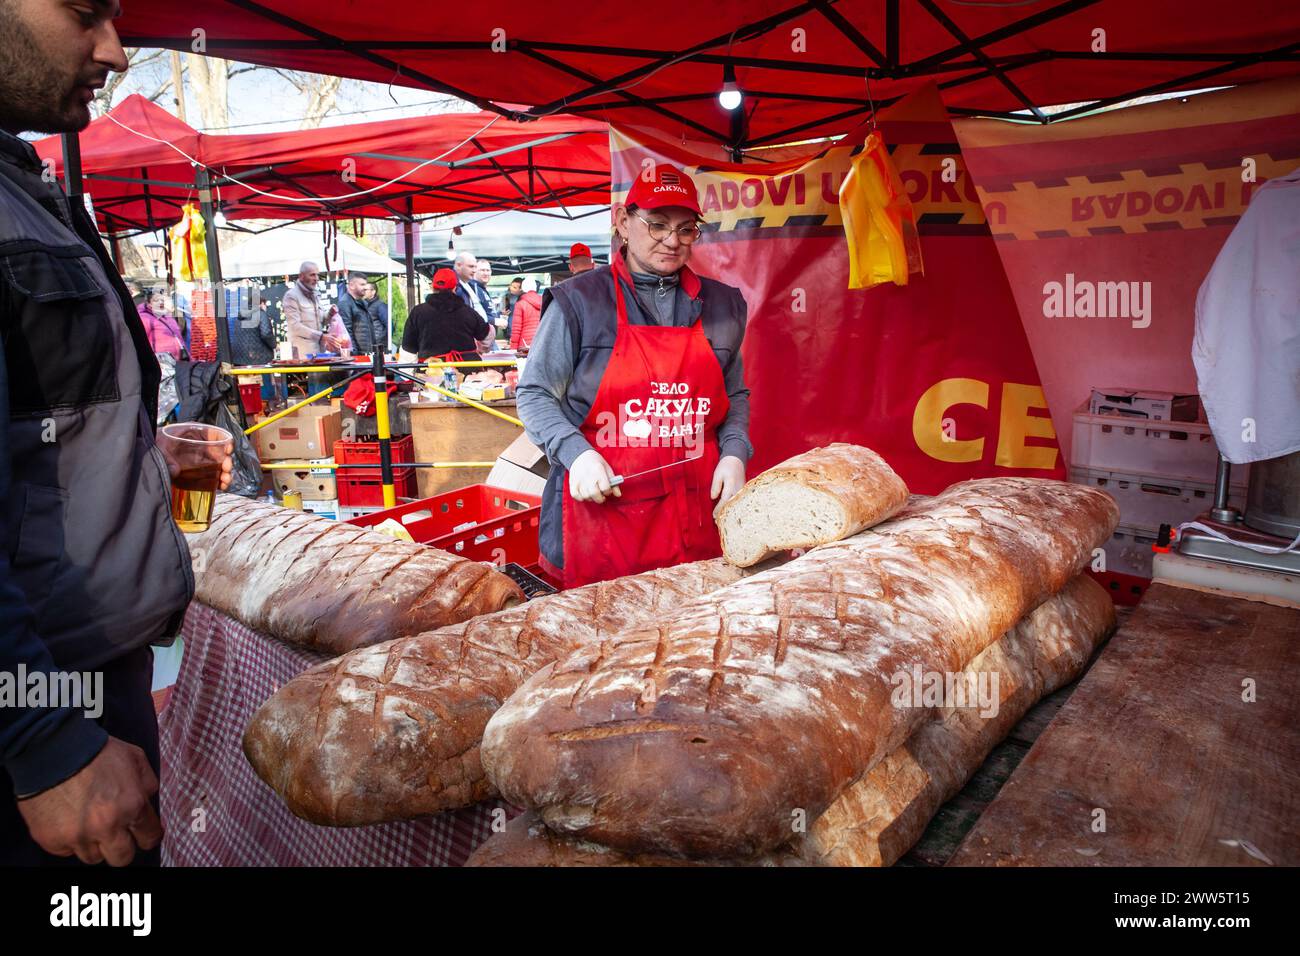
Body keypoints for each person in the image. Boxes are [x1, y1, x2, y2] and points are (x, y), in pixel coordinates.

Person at [0, 0, 232, 867]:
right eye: (84, 11)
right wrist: (40, 738)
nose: (116, 50)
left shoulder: (24, 184)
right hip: (44, 707)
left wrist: (132, 455)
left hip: (88, 680)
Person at [517, 163, 751, 589]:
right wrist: (576, 453)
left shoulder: (723, 306)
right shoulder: (579, 301)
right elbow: (534, 394)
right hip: (601, 518)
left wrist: (735, 452)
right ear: (624, 223)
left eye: (685, 230)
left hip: (696, 516)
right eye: (657, 225)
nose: (671, 241)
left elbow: (733, 395)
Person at [401, 268, 492, 362]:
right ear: (455, 288)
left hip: (430, 372)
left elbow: (408, 348)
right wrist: (481, 349)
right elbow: (486, 335)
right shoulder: (469, 312)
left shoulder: (418, 312)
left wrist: (408, 374)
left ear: (433, 287)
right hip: (468, 371)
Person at [283, 261, 346, 359]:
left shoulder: (316, 295)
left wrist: (330, 314)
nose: (316, 279)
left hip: (319, 352)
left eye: (317, 275)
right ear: (301, 276)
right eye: (312, 275)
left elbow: (322, 321)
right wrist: (321, 336)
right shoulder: (291, 296)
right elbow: (295, 326)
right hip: (302, 354)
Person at [337, 272, 386, 354]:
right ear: (352, 285)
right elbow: (346, 332)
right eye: (362, 284)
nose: (365, 288)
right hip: (357, 356)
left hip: (366, 353)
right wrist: (354, 353)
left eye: (365, 284)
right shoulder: (345, 303)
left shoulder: (362, 303)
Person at [137, 287, 184, 360]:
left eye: (162, 300)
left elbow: (179, 338)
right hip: (160, 363)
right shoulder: (145, 318)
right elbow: (139, 341)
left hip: (177, 360)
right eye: (156, 300)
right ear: (149, 302)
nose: (160, 302)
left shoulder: (168, 316)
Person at [509, 278, 544, 351]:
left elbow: (516, 330)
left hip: (525, 345)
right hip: (542, 342)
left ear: (523, 289)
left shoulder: (520, 304)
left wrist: (513, 348)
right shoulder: (544, 302)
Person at [363, 279, 390, 353]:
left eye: (366, 289)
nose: (363, 291)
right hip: (368, 346)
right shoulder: (364, 305)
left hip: (379, 347)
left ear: (373, 291)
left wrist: (379, 341)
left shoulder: (380, 306)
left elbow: (389, 326)